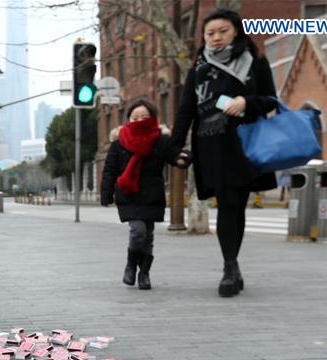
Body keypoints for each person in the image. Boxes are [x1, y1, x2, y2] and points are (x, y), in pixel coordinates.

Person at [171, 7, 278, 297]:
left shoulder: (255, 62)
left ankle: (231, 265)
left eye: (223, 31)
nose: (216, 37)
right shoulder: (198, 69)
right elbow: (185, 112)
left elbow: (270, 100)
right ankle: (230, 266)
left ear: (236, 31)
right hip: (212, 145)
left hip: (244, 143)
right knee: (227, 201)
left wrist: (245, 102)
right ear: (203, 37)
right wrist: (175, 146)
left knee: (236, 204)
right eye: (210, 33)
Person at [101, 98, 190, 290]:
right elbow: (110, 169)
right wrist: (106, 193)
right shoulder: (119, 142)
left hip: (151, 194)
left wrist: (184, 159)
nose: (139, 120)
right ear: (129, 119)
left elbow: (175, 156)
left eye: (143, 117)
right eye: (135, 117)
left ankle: (144, 274)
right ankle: (131, 265)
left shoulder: (161, 140)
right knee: (138, 231)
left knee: (148, 236)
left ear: (152, 118)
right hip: (128, 194)